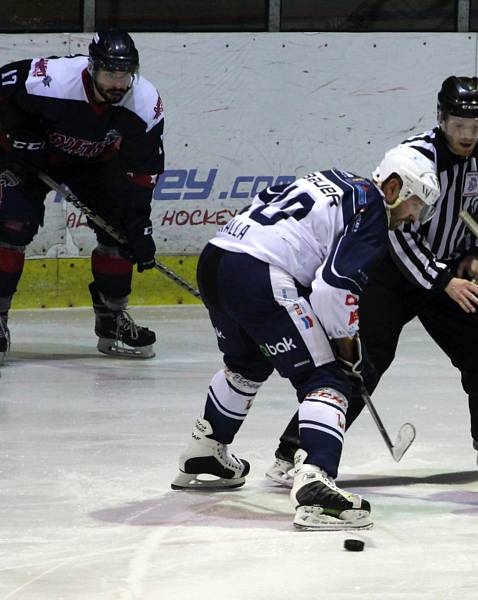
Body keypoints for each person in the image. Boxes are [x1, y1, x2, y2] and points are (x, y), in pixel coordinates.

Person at [266, 75, 478, 485]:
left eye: (477, 127)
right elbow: (395, 230)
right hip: (392, 274)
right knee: (361, 360)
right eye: (460, 125)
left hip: (449, 270)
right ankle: (296, 447)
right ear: (442, 120)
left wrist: (474, 255)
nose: (468, 135)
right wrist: (444, 280)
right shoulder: (414, 158)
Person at [170, 145, 439, 531]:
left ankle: (206, 450)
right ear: (394, 186)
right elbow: (333, 289)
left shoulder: (335, 179)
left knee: (247, 363)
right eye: (416, 204)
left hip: (218, 258)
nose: (415, 217)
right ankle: (316, 479)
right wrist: (348, 350)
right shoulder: (374, 209)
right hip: (260, 271)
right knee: (328, 379)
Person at [0, 30, 164, 360]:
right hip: (30, 159)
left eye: (124, 75)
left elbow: (143, 173)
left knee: (120, 234)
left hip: (95, 164)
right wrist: (14, 137)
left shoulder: (145, 103)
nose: (118, 83)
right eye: (109, 74)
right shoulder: (51, 80)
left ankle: (112, 320)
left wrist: (139, 226)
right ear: (92, 67)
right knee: (12, 225)